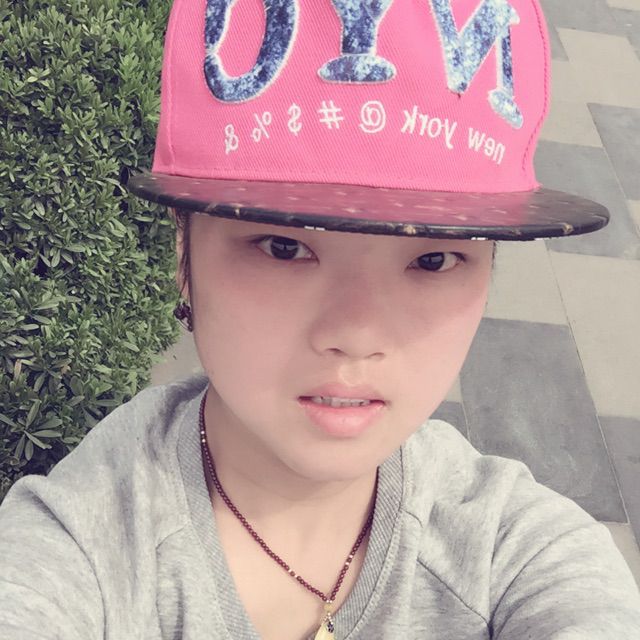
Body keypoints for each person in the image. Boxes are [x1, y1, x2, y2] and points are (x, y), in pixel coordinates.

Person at [1, 0, 639, 639]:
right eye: (283, 247)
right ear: (183, 251)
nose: (357, 335)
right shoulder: (76, 547)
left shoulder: (521, 553)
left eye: (434, 259)